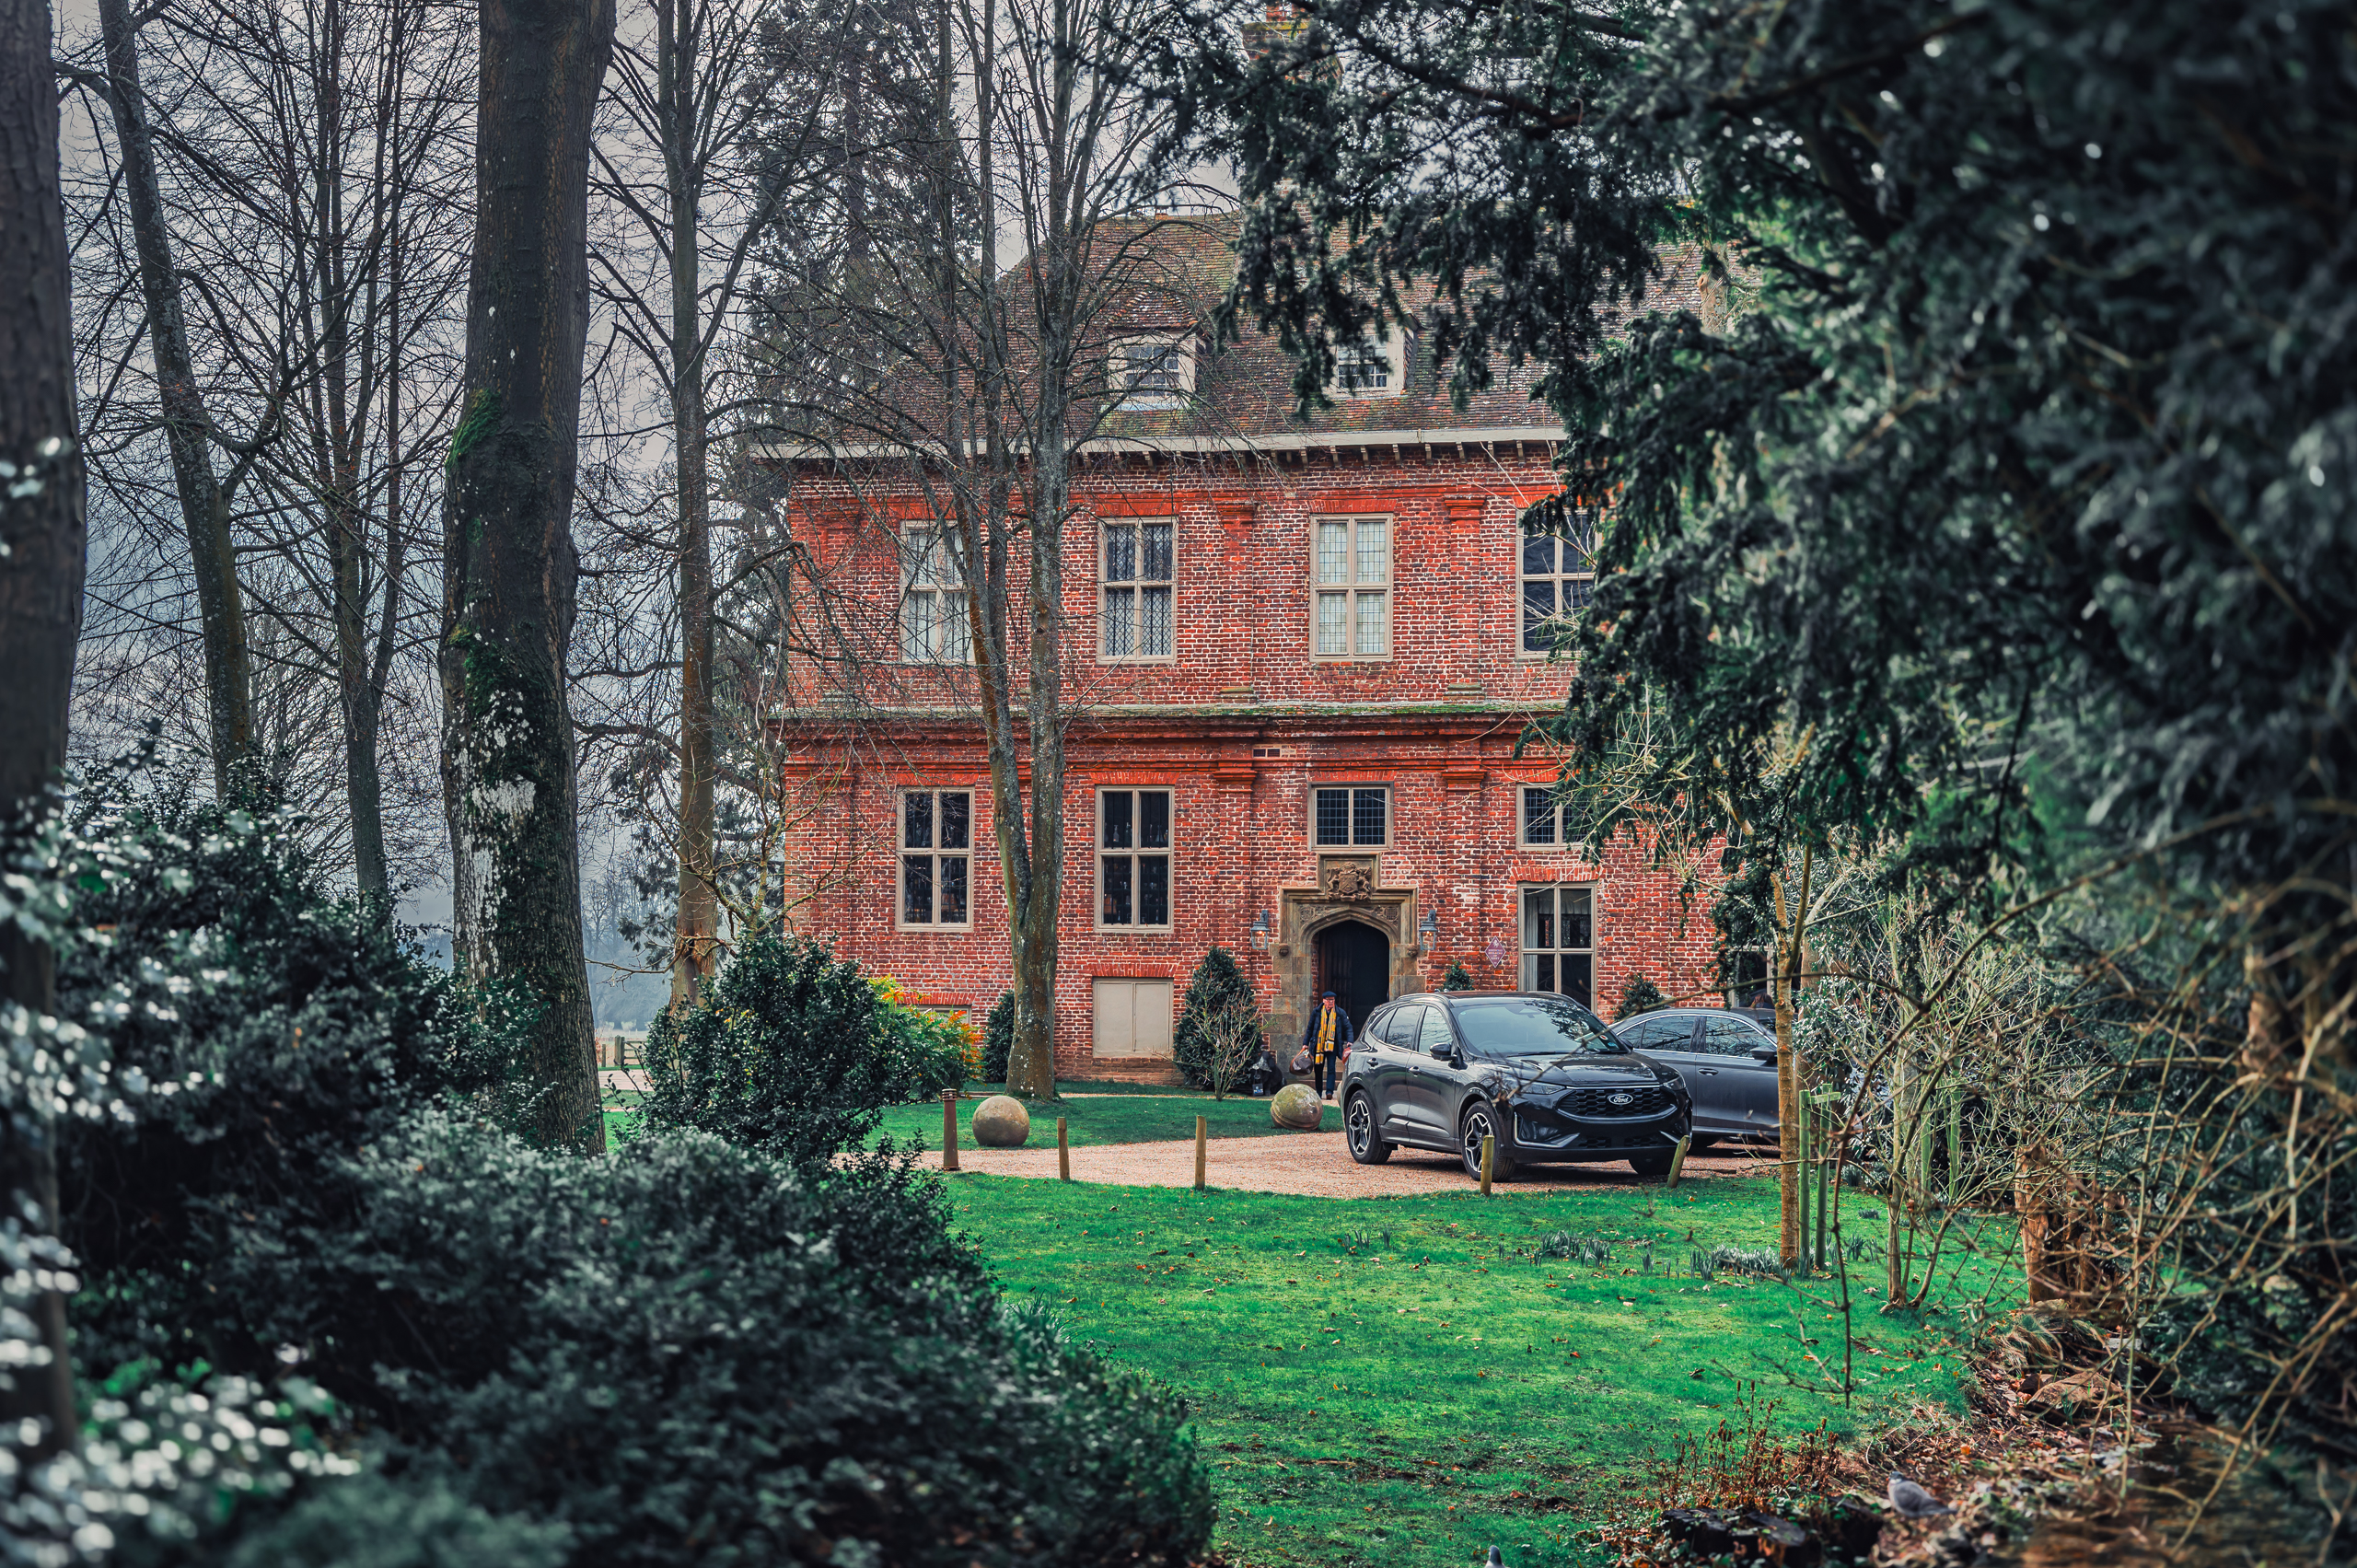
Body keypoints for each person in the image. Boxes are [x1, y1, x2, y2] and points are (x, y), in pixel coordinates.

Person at [1298, 991, 1354, 1099]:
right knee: (1318, 1069)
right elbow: (1310, 1029)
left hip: (1332, 1045)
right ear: (1324, 1001)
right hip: (1319, 1045)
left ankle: (1329, 1092)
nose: (1331, 1002)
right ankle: (1318, 1092)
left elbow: (1348, 1027)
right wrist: (1305, 1043)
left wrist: (1350, 1041)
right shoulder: (1317, 1012)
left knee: (1331, 1068)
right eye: (1329, 1000)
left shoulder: (1340, 1012)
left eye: (1332, 1000)